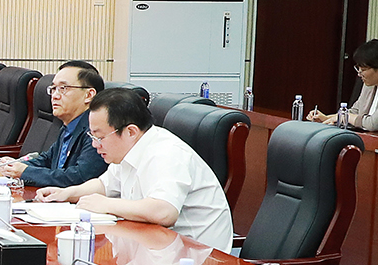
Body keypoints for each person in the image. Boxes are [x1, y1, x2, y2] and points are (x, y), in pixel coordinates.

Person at [34, 86, 234, 250]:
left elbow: (164, 211)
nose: (95, 145)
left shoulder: (166, 153)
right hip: (156, 246)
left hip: (196, 260)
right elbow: (104, 185)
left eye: (100, 137)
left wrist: (106, 204)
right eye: (92, 137)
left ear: (130, 131)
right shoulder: (129, 149)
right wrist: (67, 193)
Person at [0, 60, 109, 190]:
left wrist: (25, 172)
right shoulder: (69, 125)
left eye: (63, 88)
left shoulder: (96, 131)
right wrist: (16, 165)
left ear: (89, 95)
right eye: (53, 89)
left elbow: (79, 178)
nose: (55, 96)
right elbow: (48, 159)